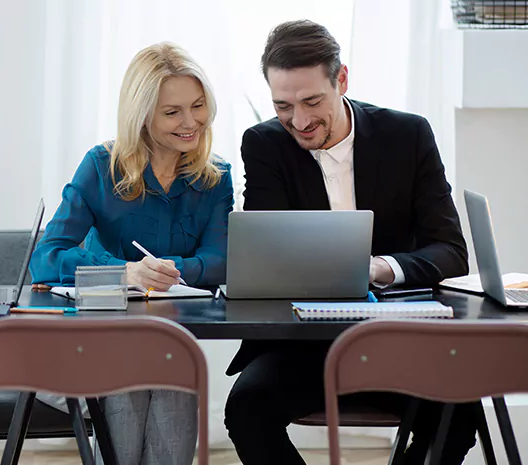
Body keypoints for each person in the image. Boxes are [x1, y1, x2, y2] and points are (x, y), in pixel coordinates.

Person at [223, 20, 478, 465]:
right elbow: (269, 255)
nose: (298, 121)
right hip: (303, 346)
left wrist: (382, 267)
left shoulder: (408, 135)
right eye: (283, 105)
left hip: (399, 339)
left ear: (341, 80)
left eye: (312, 101)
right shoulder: (264, 145)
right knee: (247, 409)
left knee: (459, 412)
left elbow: (451, 251)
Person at [29, 42, 234, 465]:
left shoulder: (216, 177)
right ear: (141, 115)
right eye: (172, 112)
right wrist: (126, 272)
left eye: (197, 106)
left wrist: (175, 270)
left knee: (169, 376)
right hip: (106, 335)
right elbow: (46, 257)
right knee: (132, 382)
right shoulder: (101, 166)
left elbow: (222, 261)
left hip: (175, 336)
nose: (190, 121)